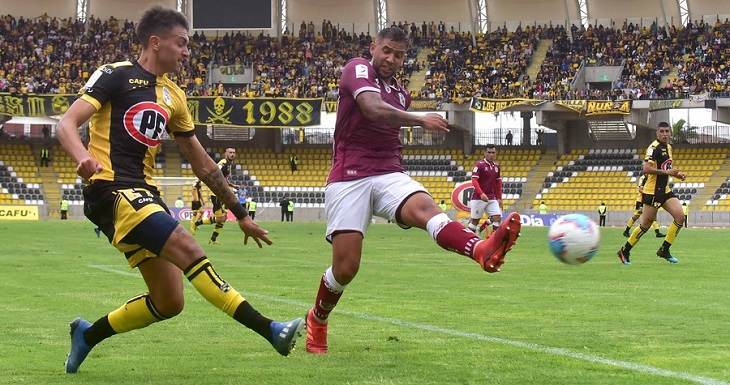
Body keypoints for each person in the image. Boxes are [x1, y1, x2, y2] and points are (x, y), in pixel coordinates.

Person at [55, 6, 303, 374]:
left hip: (144, 194)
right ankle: (270, 329)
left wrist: (242, 214)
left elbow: (203, 165)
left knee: (169, 302)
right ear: (155, 43)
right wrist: (81, 156)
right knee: (189, 247)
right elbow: (67, 122)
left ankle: (87, 336)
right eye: (181, 43)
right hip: (111, 190)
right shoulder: (116, 76)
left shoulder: (175, 97)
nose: (188, 52)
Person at [304, 27, 521, 355]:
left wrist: (402, 161)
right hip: (349, 177)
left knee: (427, 209)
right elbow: (372, 109)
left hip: (388, 172)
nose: (390, 59)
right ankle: (318, 318)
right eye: (387, 51)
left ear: (406, 59)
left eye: (399, 55)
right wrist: (421, 120)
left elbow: (389, 131)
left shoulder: (402, 94)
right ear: (374, 47)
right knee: (346, 268)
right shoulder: (357, 68)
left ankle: (481, 249)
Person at [617, 122, 686, 265]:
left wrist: (676, 175)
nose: (665, 134)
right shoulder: (653, 148)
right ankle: (624, 250)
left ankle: (664, 249)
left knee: (680, 217)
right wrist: (667, 172)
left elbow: (665, 167)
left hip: (665, 190)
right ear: (657, 133)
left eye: (667, 131)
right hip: (652, 192)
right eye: (662, 131)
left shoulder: (668, 147)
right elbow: (646, 169)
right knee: (646, 224)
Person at [191, 148, 240, 245]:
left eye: (234, 153)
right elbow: (214, 173)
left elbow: (224, 179)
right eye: (230, 152)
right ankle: (196, 223)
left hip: (221, 193)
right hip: (217, 194)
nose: (232, 154)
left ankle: (213, 240)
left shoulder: (228, 165)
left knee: (224, 217)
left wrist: (232, 186)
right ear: (225, 153)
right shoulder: (223, 163)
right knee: (221, 218)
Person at [467, 145, 503, 239]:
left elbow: (498, 182)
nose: (491, 155)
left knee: (497, 218)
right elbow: (474, 180)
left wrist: (499, 198)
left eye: (493, 153)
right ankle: (468, 240)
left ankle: (494, 241)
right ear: (485, 153)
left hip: (491, 197)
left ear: (496, 154)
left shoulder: (496, 167)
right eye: (489, 152)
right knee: (475, 221)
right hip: (478, 198)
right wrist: (481, 193)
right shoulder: (480, 165)